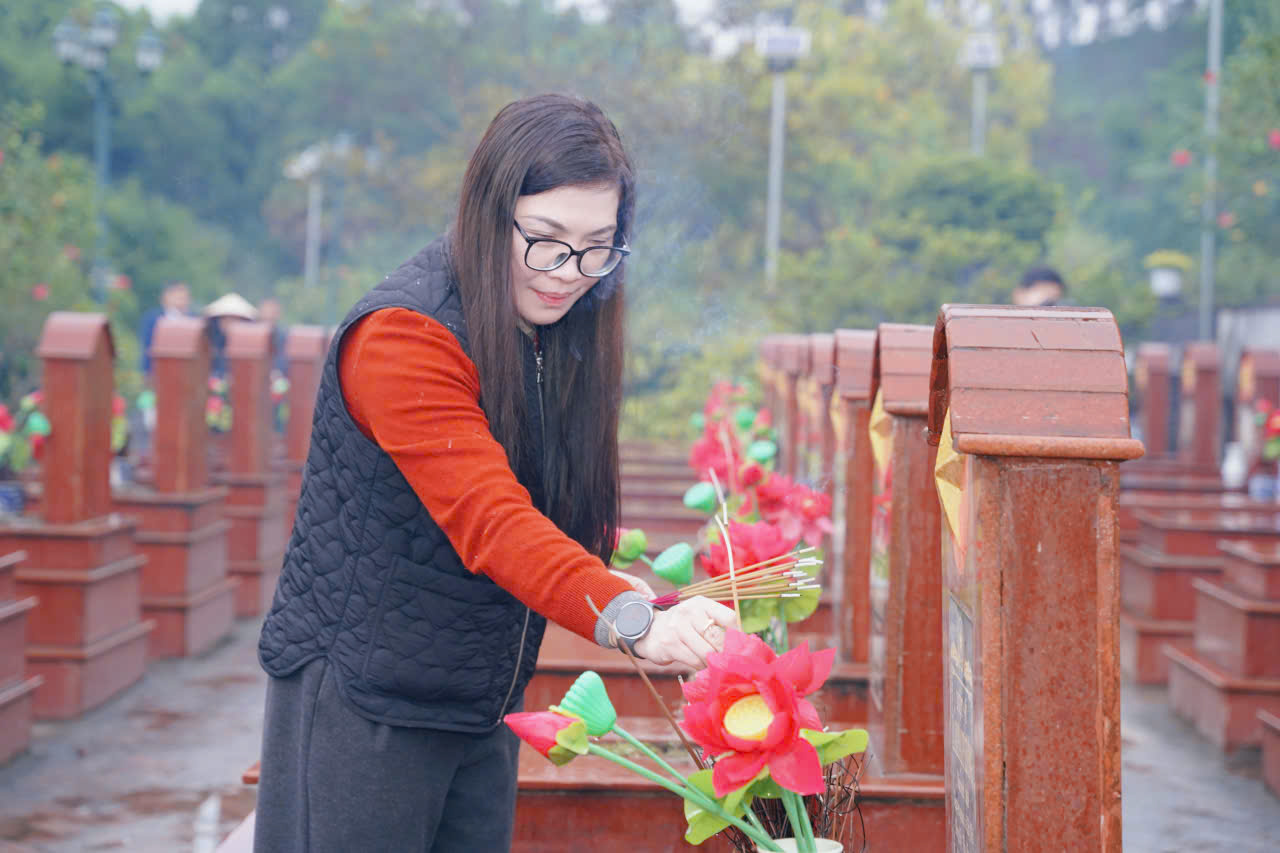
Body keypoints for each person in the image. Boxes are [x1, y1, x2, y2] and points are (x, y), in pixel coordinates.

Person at [253, 94, 739, 852]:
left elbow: (541, 522)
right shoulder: (402, 337)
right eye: (545, 240)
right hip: (365, 705)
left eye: (598, 247)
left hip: (480, 699)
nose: (569, 273)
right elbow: (492, 520)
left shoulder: (545, 331)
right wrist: (632, 621)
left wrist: (634, 594)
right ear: (488, 213)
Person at [201, 293, 259, 378]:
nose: (229, 323)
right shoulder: (209, 342)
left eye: (233, 319)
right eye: (225, 319)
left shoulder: (250, 346)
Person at [138, 281, 191, 375]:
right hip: (159, 369)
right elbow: (147, 346)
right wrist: (147, 371)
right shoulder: (152, 318)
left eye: (185, 297)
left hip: (186, 369)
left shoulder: (193, 320)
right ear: (166, 297)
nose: (182, 300)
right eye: (178, 296)